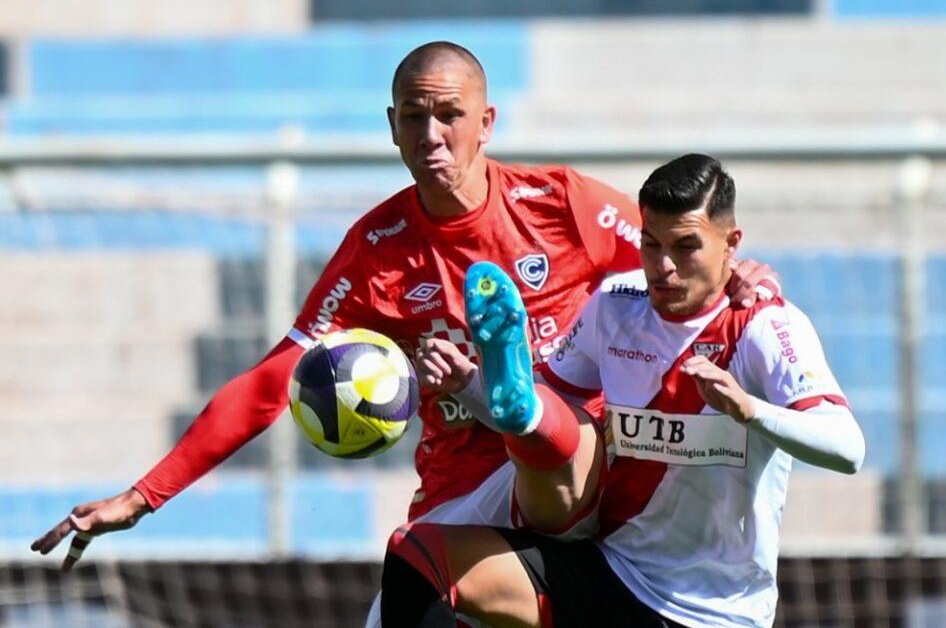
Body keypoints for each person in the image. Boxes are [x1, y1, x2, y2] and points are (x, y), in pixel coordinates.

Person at [30, 43, 776, 579]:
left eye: (449, 115)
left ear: (487, 122)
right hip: (460, 486)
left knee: (554, 428)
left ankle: (521, 405)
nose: (431, 135)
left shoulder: (562, 205)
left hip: (584, 468)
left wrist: (749, 282)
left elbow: (683, 267)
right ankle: (507, 402)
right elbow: (272, 384)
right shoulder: (377, 250)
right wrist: (142, 495)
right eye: (414, 118)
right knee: (407, 582)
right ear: (391, 125)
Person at [380, 154, 865, 628]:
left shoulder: (765, 328)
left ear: (730, 243)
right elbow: (550, 400)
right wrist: (468, 383)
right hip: (609, 573)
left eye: (686, 247)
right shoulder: (617, 304)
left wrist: (749, 410)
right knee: (419, 557)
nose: (664, 266)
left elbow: (847, 448)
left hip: (715, 611)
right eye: (651, 245)